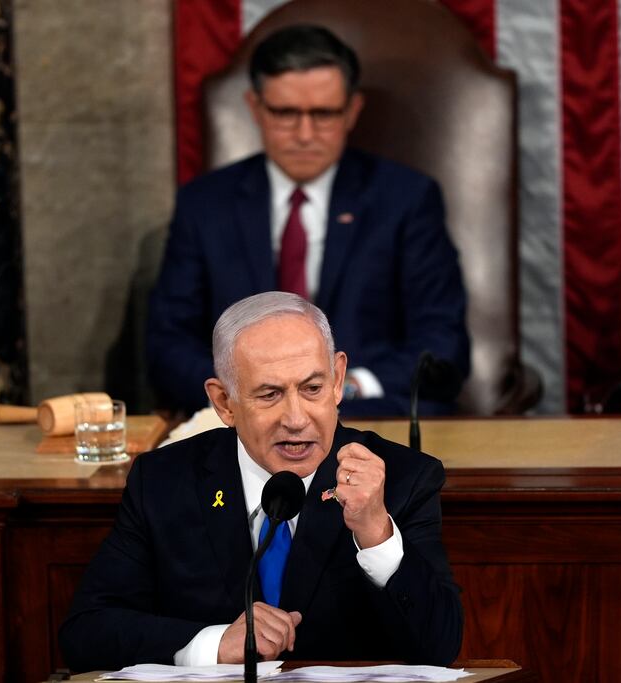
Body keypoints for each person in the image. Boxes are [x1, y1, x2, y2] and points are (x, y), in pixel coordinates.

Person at [60, 292, 463, 671]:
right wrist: (214, 644)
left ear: (338, 380)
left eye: (312, 389)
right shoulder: (164, 482)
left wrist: (376, 531)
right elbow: (87, 633)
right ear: (223, 402)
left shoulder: (402, 479)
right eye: (269, 394)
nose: (296, 418)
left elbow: (438, 648)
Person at [147, 24, 469, 418]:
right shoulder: (206, 204)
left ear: (352, 111)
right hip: (241, 430)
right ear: (255, 108)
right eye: (285, 113)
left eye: (323, 114)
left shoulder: (407, 199)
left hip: (374, 418)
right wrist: (252, 397)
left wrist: (343, 389)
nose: (304, 134)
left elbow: (443, 344)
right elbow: (167, 344)